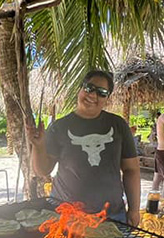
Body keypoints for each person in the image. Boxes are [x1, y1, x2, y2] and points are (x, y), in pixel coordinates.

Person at [28, 70, 141, 226]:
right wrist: (38, 146)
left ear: (107, 98)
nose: (93, 96)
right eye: (89, 88)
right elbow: (42, 171)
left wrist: (134, 209)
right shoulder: (59, 127)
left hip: (111, 215)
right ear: (81, 88)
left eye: (102, 93)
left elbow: (131, 170)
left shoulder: (118, 125)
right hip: (67, 214)